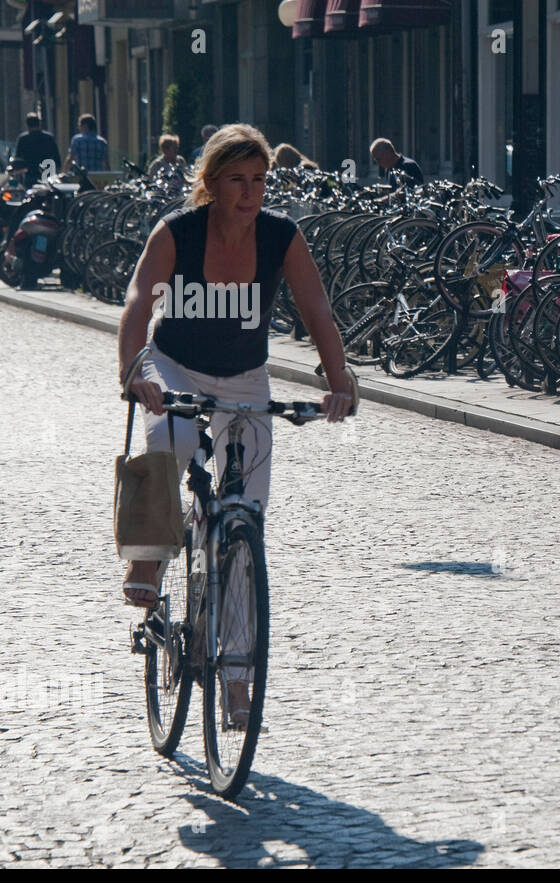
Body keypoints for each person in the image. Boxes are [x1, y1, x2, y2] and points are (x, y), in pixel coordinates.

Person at [117, 124, 353, 720]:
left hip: (246, 380)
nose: (250, 194)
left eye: (260, 181)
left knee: (246, 526)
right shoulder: (177, 233)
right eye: (237, 181)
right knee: (170, 434)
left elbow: (316, 307)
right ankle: (147, 553)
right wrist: (134, 372)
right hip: (176, 367)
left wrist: (340, 379)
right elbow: (140, 299)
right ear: (211, 183)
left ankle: (238, 677)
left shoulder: (281, 237)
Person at [8, 113, 60, 188]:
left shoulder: (23, 139)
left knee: (31, 194)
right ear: (39, 124)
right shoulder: (49, 138)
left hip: (30, 172)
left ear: (27, 125)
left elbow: (18, 157)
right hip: (48, 171)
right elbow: (56, 156)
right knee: (48, 193)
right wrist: (58, 170)